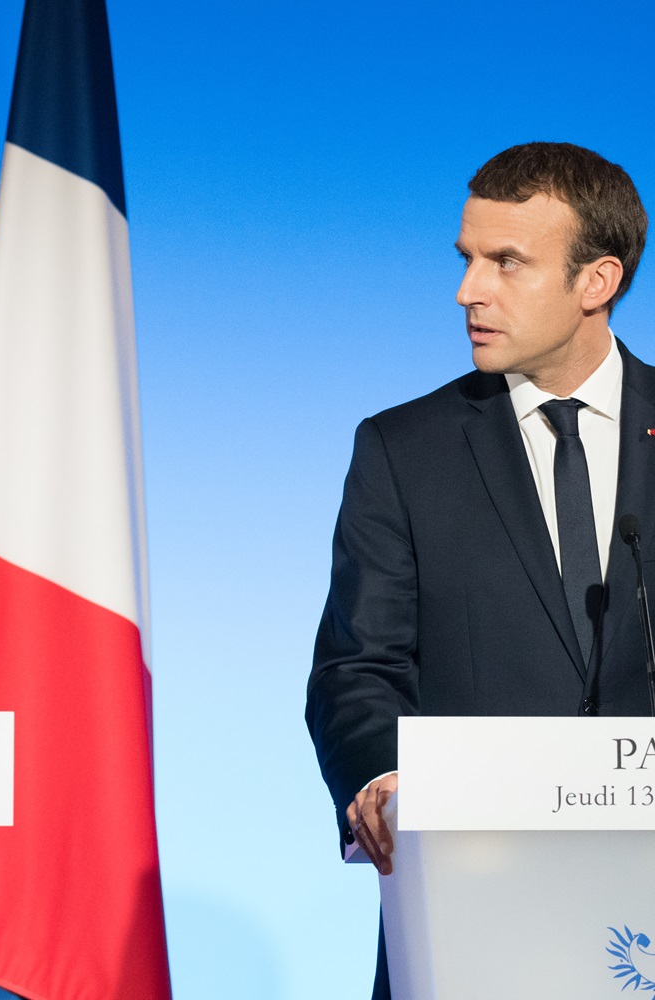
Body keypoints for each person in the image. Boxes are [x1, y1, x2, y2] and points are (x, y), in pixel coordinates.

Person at [306, 142, 651, 998]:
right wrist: (383, 779)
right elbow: (357, 667)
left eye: (507, 263)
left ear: (596, 282)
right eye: (467, 260)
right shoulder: (403, 450)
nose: (469, 291)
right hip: (469, 907)